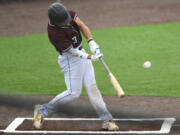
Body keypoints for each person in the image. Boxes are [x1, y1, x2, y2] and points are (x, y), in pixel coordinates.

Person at [33, 2, 119, 131]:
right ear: (55, 21)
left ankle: (107, 119)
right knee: (73, 93)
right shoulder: (54, 32)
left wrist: (91, 42)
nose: (66, 22)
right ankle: (41, 111)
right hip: (70, 59)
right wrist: (90, 57)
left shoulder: (68, 14)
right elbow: (72, 51)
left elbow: (82, 25)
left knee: (92, 88)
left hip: (82, 52)